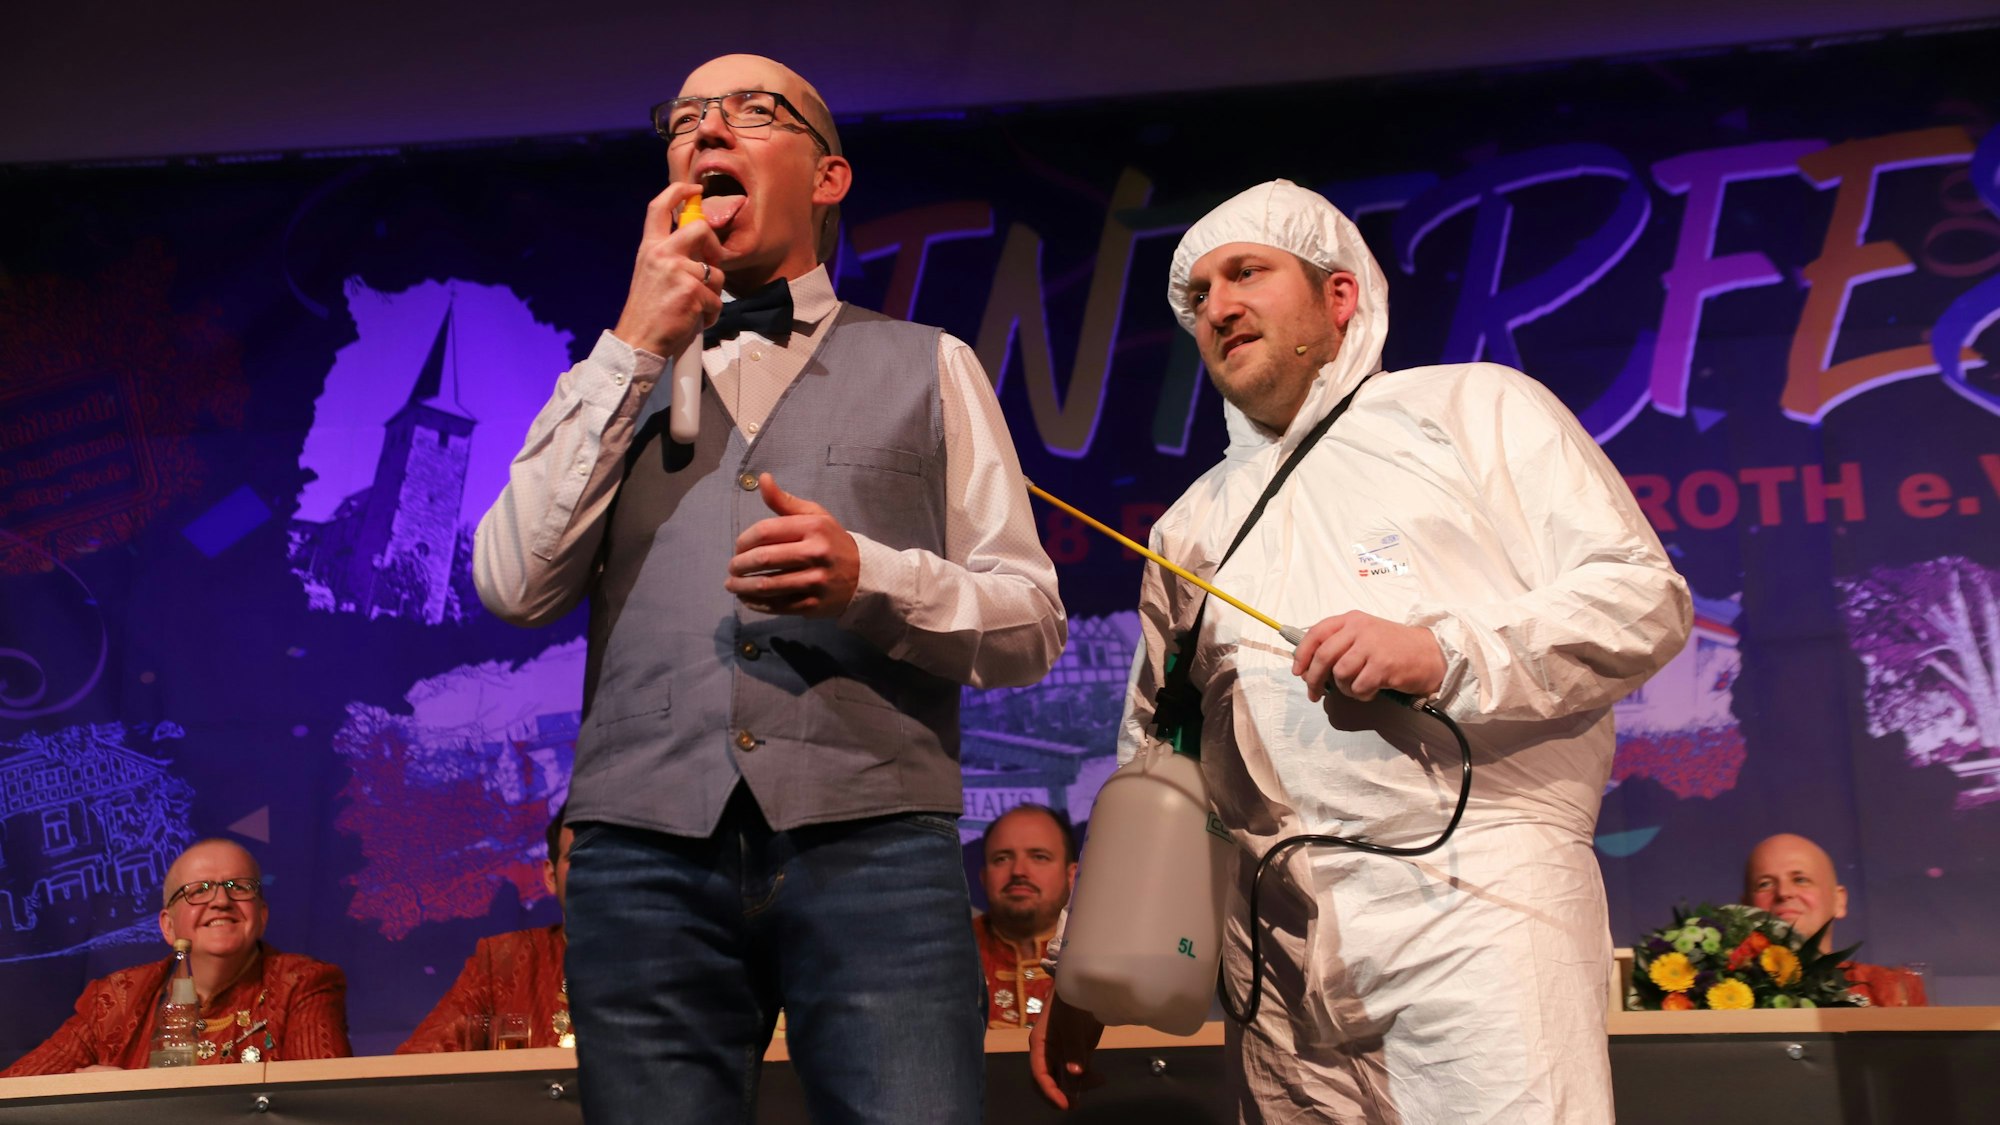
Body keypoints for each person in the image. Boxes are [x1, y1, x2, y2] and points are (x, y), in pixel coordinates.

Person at [471, 53, 1064, 1124]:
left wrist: (869, 578)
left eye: (751, 111)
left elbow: (1028, 622)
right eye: (685, 117)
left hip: (872, 844)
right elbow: (512, 583)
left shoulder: (931, 365)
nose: (707, 130)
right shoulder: (607, 375)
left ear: (827, 177)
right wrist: (635, 343)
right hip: (641, 851)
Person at [1031, 180, 1692, 1123]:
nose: (1217, 306)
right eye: (1199, 294)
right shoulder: (1190, 529)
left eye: (1247, 272)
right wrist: (1084, 960)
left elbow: (1642, 599)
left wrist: (1443, 651)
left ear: (1339, 297)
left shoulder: (1475, 412)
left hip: (1483, 920)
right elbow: (1159, 753)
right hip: (1280, 968)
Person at [2, 839, 350, 1075]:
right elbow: (18, 1093)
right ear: (168, 927)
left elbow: (325, 1107)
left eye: (239, 887)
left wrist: (129, 1103)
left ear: (261, 915)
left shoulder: (304, 984)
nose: (220, 901)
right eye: (198, 890)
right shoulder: (114, 999)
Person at [397, 808, 576, 1052]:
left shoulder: (647, 963)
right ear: (551, 876)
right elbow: (419, 1064)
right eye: (582, 857)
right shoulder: (504, 962)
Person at [1743, 832, 1927, 1007]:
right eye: (1765, 884)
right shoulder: (1722, 993)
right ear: (1744, 907)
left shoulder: (1895, 992)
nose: (1783, 893)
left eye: (1800, 880)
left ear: (1838, 900)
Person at [973, 804, 1076, 1029]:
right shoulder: (949, 955)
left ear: (1072, 877)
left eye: (1039, 857)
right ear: (983, 878)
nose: (1018, 871)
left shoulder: (1099, 956)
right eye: (1001, 859)